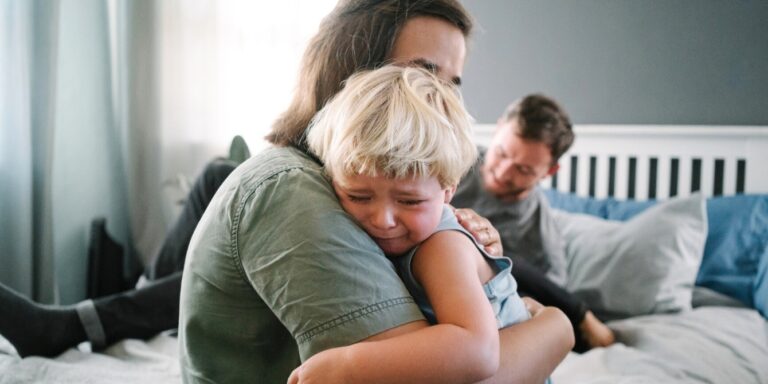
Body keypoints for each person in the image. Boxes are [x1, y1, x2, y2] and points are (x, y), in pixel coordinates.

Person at [179, 1, 572, 383]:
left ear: (447, 191)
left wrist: (552, 320)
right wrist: (555, 328)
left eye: (450, 85)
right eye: (423, 73)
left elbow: (470, 351)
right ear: (353, 70)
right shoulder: (293, 188)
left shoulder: (433, 230)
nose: (436, 100)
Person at [288, 65, 532, 383]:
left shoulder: (441, 247)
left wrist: (348, 366)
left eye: (409, 201)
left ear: (447, 191)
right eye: (359, 197)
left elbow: (479, 351)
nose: (383, 220)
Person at [451, 93, 615, 350]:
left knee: (494, 254)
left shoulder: (541, 232)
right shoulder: (452, 162)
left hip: (488, 304)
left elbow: (547, 310)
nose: (503, 172)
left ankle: (580, 313)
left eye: (523, 170)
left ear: (549, 172)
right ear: (497, 129)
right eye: (502, 153)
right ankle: (580, 311)